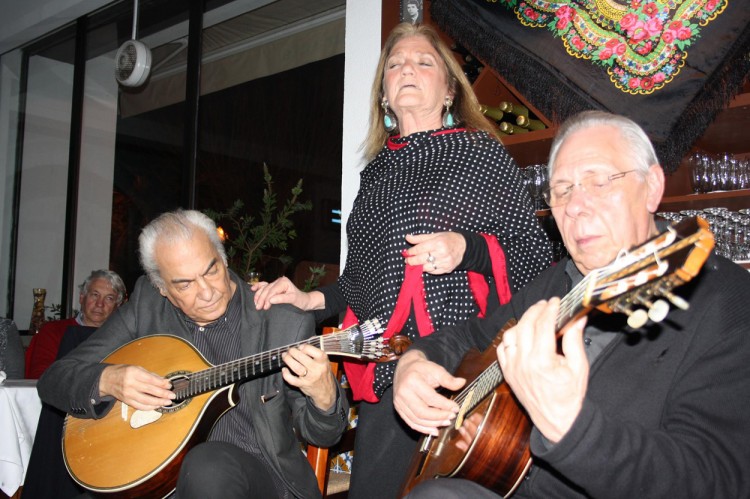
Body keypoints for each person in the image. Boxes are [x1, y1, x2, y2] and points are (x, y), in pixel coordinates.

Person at [253, 23, 551, 498]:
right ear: (385, 95)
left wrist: (467, 247)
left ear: (449, 89)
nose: (406, 69)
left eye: (423, 62)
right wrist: (310, 297)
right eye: (394, 65)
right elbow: (360, 283)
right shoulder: (373, 176)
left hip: (464, 366)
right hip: (390, 368)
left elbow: (536, 258)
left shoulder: (482, 156)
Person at [393, 111, 750, 498]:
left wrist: (571, 427)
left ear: (652, 188)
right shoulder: (554, 283)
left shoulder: (728, 302)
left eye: (598, 182)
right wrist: (415, 362)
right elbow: (469, 336)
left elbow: (717, 479)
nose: (575, 206)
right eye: (562, 190)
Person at [37, 209, 349, 499]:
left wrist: (324, 397)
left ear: (223, 259)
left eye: (211, 271)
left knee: (208, 466)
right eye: (184, 285)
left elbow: (324, 435)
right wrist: (108, 379)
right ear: (162, 288)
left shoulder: (282, 321)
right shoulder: (147, 306)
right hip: (158, 476)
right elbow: (54, 379)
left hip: (260, 477)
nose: (207, 292)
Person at [24, 269, 127, 378]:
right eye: (95, 295)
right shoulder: (54, 331)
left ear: (117, 306)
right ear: (82, 298)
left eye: (109, 298)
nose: (100, 304)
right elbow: (40, 376)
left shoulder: (122, 339)